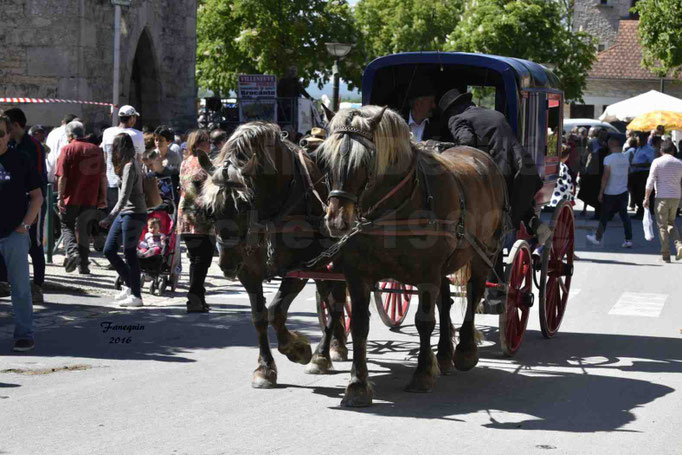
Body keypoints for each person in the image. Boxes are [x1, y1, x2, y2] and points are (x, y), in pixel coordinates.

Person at [439, 88, 549, 243]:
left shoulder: (457, 118)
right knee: (518, 199)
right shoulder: (495, 114)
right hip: (524, 167)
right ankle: (534, 223)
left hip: (499, 173)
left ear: (451, 111)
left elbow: (466, 142)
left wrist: (447, 149)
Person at [0, 112, 43, 352]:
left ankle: (24, 334)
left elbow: (37, 196)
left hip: (14, 235)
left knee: (19, 288)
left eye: (0, 133)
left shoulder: (21, 160)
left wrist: (25, 226)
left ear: (8, 136)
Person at [100, 134, 147, 307]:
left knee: (129, 253)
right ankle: (129, 285)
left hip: (133, 213)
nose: (112, 151)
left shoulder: (129, 166)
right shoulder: (130, 164)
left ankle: (136, 295)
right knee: (109, 250)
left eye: (114, 147)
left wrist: (109, 216)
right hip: (125, 213)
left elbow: (124, 196)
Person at [55, 121, 107, 274]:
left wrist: (60, 197)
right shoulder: (97, 150)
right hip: (90, 198)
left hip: (71, 197)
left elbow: (62, 177)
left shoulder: (67, 149)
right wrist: (103, 196)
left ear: (70, 135)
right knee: (84, 230)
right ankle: (83, 266)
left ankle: (72, 253)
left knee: (66, 226)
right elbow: (103, 176)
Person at [178, 129, 215, 313]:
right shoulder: (204, 162)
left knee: (196, 260)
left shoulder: (185, 162)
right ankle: (194, 299)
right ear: (198, 144)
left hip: (186, 214)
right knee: (201, 260)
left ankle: (198, 298)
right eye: (207, 141)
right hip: (201, 217)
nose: (210, 144)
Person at [586, 136, 633, 248]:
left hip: (610, 191)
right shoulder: (626, 158)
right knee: (624, 216)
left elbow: (605, 176)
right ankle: (628, 239)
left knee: (604, 216)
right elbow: (628, 172)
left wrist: (601, 191)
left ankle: (598, 238)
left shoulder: (608, 159)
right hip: (623, 190)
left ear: (611, 144)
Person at [100, 105, 145, 214]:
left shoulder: (107, 132)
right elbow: (139, 159)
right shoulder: (138, 135)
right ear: (131, 118)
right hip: (131, 181)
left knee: (112, 213)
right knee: (127, 211)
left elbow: (105, 157)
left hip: (111, 179)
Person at [644, 141, 682, 262]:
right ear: (673, 150)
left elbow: (650, 181)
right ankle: (679, 245)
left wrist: (646, 198)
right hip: (676, 197)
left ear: (661, 150)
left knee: (662, 226)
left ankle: (665, 255)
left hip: (661, 197)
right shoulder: (679, 163)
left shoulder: (657, 162)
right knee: (671, 223)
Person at [630, 133, 659, 219]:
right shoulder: (639, 148)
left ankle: (642, 212)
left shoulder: (649, 149)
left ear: (645, 139)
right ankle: (639, 210)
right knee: (635, 193)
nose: (638, 140)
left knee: (641, 193)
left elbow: (650, 163)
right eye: (638, 139)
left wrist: (638, 165)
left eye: (640, 139)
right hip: (636, 173)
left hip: (643, 173)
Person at [45, 113, 77, 184]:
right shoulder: (68, 133)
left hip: (50, 170)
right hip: (61, 175)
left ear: (63, 122)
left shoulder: (52, 133)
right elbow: (65, 153)